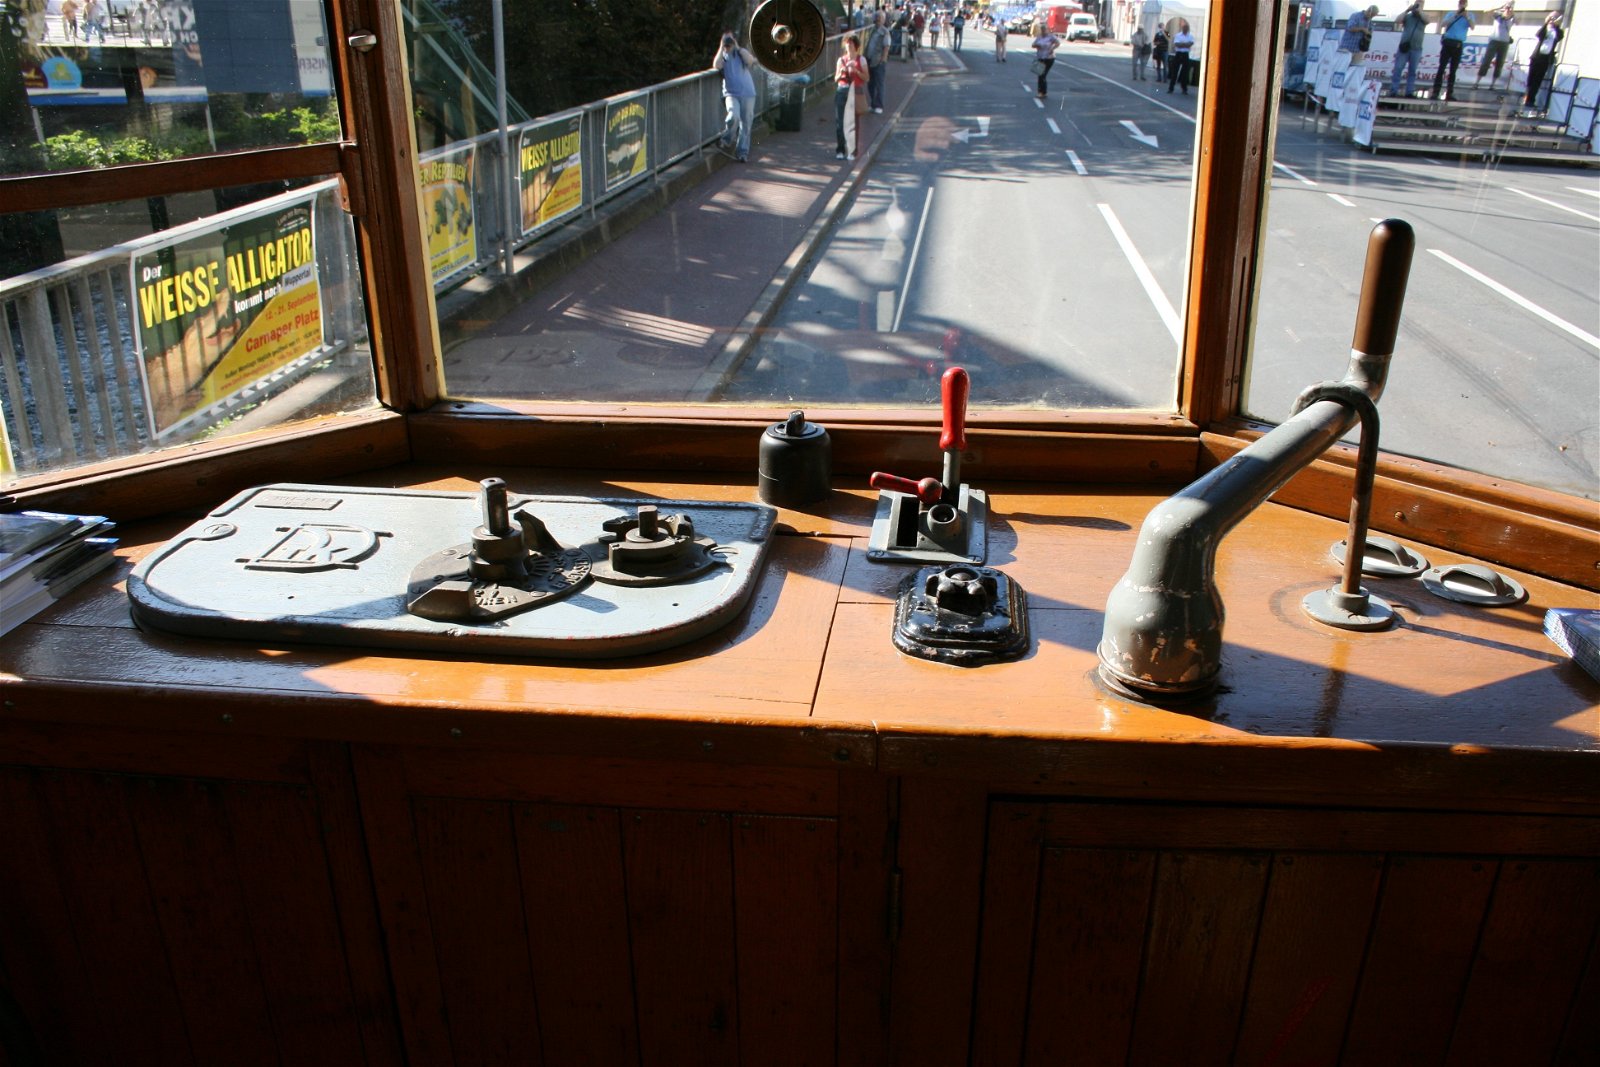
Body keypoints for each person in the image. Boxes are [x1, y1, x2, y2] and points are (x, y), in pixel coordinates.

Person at [713, 32, 758, 163]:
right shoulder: (723, 57)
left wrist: (737, 47)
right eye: (726, 43)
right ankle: (726, 139)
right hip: (731, 94)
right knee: (733, 115)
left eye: (729, 43)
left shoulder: (741, 53)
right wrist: (722, 47)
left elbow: (750, 61)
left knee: (746, 124)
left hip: (748, 94)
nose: (728, 46)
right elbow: (716, 65)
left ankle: (742, 153)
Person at [1432, 0, 1474, 102]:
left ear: (1466, 4)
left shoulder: (1470, 15)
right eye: (1461, 3)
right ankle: (1435, 92)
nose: (1462, 5)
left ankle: (1449, 93)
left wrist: (1466, 16)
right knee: (1441, 68)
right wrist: (1456, 14)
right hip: (1448, 42)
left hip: (1458, 44)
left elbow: (1472, 27)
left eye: (1464, 3)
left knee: (1453, 70)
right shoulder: (1451, 13)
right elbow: (1443, 24)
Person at [835, 35, 867, 161]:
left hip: (855, 91)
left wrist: (856, 71)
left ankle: (853, 151)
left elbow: (866, 78)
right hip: (842, 91)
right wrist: (842, 71)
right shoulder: (841, 60)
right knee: (840, 122)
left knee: (853, 123)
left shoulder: (861, 60)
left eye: (851, 43)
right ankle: (840, 149)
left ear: (856, 46)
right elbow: (836, 79)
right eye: (847, 43)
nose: (849, 45)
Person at [1523, 12, 1564, 110]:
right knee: (1530, 79)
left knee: (1537, 80)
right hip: (1536, 57)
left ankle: (1530, 100)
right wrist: (1546, 23)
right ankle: (1526, 97)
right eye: (1551, 18)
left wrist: (1557, 26)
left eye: (1554, 18)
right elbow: (1539, 35)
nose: (1552, 20)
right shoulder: (1545, 29)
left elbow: (1560, 37)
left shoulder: (1557, 31)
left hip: (1545, 59)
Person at [1389, 2, 1426, 98]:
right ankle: (1394, 90)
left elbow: (1427, 20)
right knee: (1398, 68)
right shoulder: (1408, 17)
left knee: (1412, 71)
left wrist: (1420, 12)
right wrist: (1407, 10)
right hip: (1404, 47)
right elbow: (1397, 20)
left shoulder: (1423, 16)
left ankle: (1409, 92)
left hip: (1416, 48)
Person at [1478, 4, 1515, 87]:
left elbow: (1517, 22)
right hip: (1494, 40)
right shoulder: (1498, 16)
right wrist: (1500, 7)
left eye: (1509, 8)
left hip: (1504, 42)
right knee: (1486, 61)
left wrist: (1512, 12)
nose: (1508, 10)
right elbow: (1486, 11)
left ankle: (1492, 84)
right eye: (1507, 8)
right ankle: (1477, 82)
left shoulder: (1512, 18)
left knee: (1499, 63)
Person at [866, 12, 890, 114]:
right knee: (870, 83)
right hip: (870, 59)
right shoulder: (872, 30)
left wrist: (882, 60)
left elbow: (886, 47)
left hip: (878, 60)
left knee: (879, 84)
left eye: (880, 18)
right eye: (877, 17)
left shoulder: (885, 32)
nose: (878, 19)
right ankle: (873, 104)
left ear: (884, 20)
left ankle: (879, 105)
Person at [1031, 24, 1059, 100]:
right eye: (1042, 29)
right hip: (1040, 57)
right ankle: (1043, 92)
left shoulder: (1051, 37)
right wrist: (1037, 45)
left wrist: (1052, 48)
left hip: (1049, 58)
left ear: (1048, 29)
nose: (1044, 31)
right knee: (1040, 74)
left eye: (1045, 29)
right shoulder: (1039, 37)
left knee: (1042, 74)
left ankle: (1041, 92)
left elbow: (1057, 43)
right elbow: (1033, 45)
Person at [1166, 20, 1194, 95]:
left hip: (1185, 54)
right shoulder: (1178, 35)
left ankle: (1184, 89)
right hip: (1178, 54)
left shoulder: (1190, 36)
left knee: (1185, 73)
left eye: (1186, 28)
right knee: (1175, 72)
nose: (1185, 29)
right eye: (1184, 28)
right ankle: (1171, 88)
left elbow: (1190, 44)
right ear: (1182, 29)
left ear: (1188, 29)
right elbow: (1177, 44)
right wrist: (1185, 44)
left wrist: (1183, 44)